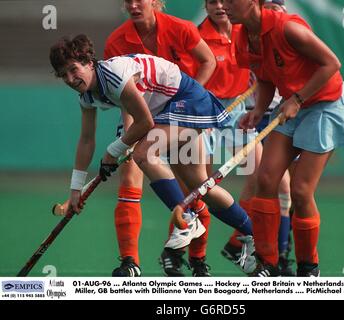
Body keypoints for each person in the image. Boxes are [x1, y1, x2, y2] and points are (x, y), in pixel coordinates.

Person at [50, 34, 256, 277]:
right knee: (200, 188)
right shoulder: (86, 96)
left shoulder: (112, 75)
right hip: (167, 112)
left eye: (74, 69)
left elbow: (144, 122)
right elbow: (86, 140)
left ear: (89, 62)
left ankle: (189, 221)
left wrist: (111, 152)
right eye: (64, 75)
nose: (71, 79)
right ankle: (256, 237)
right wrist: (76, 190)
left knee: (143, 154)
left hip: (186, 100)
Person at [223, 0, 344, 276]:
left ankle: (308, 267)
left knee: (301, 191)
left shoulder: (287, 28)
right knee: (266, 180)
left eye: (231, 0)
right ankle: (268, 263)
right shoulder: (242, 37)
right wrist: (259, 111)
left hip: (326, 104)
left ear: (254, 2)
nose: (224, 6)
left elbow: (331, 63)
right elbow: (265, 77)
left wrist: (298, 99)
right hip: (293, 103)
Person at [104, 0, 217, 276]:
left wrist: (190, 102)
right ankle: (130, 262)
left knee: (195, 187)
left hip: (181, 117)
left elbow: (208, 60)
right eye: (127, 1)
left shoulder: (181, 29)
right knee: (130, 177)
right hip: (139, 115)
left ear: (155, 1)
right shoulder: (117, 41)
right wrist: (130, 139)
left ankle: (196, 259)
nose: (133, 5)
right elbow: (124, 99)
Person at [198, 0, 294, 276]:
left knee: (275, 185)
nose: (275, 16)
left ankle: (262, 250)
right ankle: (272, 255)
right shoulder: (248, 35)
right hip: (254, 114)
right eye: (271, 10)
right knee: (275, 184)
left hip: (282, 112)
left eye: (280, 11)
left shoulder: (286, 33)